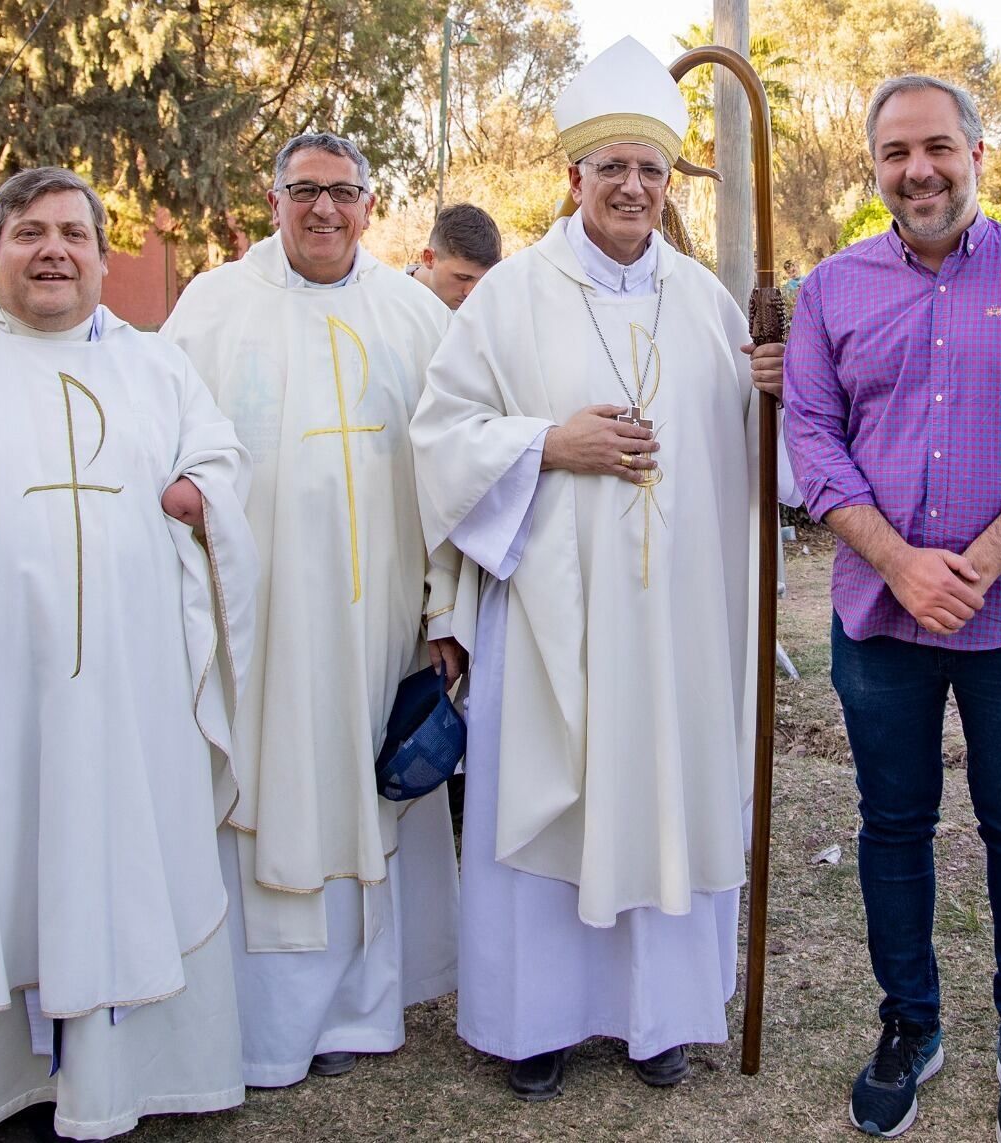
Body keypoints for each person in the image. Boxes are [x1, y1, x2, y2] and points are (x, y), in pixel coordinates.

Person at [409, 36, 791, 1102]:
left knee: (665, 790)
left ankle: (658, 1016)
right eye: (611, 167)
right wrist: (547, 444)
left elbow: (755, 460)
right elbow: (441, 436)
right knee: (554, 793)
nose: (631, 186)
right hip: (551, 615)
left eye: (649, 169)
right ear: (573, 176)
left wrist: (774, 388)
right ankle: (533, 1023)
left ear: (670, 183)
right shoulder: (510, 296)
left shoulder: (709, 302)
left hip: (675, 624)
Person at [0, 166, 257, 1140]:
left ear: (99, 254)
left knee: (112, 853)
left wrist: (202, 494)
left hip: (125, 700)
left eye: (74, 235)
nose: (54, 251)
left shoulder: (156, 367)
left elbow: (220, 458)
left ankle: (119, 1077)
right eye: (30, 233)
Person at [783, 75, 1001, 1141]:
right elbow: (813, 439)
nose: (917, 170)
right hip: (879, 622)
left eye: (936, 147)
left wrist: (971, 566)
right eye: (895, 153)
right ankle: (908, 1023)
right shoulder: (829, 292)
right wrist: (900, 565)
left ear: (978, 153)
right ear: (874, 167)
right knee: (892, 823)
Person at [161, 132, 469, 1088]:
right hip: (261, 618)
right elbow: (168, 439)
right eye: (304, 190)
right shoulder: (212, 306)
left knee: (365, 786)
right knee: (274, 787)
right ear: (274, 200)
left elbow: (454, 467)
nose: (323, 209)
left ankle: (363, 1007)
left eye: (342, 191)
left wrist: (444, 606)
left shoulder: (416, 316)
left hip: (382, 616)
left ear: (370, 206)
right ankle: (265, 1017)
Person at [408, 202, 501, 310]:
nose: (471, 293)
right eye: (463, 278)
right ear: (429, 258)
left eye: (482, 281)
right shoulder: (393, 305)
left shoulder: (488, 311)